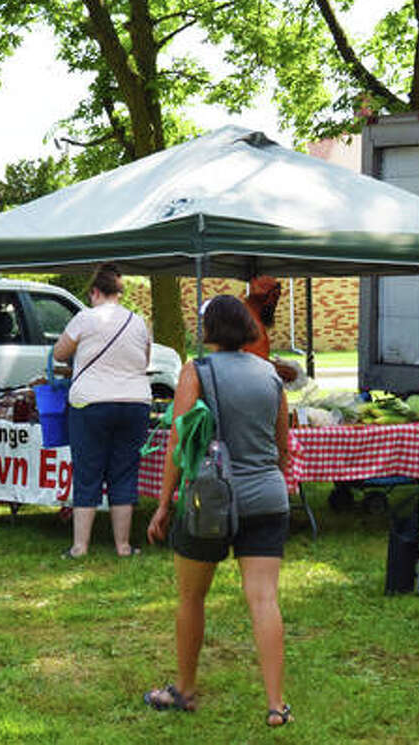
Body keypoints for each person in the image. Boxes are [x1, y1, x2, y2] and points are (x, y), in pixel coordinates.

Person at [145, 295, 293, 727]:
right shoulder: (271, 374)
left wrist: (163, 503)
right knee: (264, 599)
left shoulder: (196, 371)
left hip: (207, 499)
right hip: (267, 495)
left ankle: (186, 691)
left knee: (191, 597)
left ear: (207, 329)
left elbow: (179, 442)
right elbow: (282, 447)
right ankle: (275, 705)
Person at [53, 263, 151, 558]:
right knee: (124, 472)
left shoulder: (85, 318)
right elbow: (143, 362)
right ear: (119, 293)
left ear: (95, 292)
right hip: (134, 402)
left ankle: (80, 546)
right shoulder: (138, 321)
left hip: (90, 403)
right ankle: (123, 546)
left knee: (87, 471)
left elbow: (59, 353)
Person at [242, 275, 300, 383]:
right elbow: (255, 365)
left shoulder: (248, 315)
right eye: (275, 297)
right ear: (269, 298)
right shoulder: (250, 321)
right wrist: (287, 371)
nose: (276, 303)